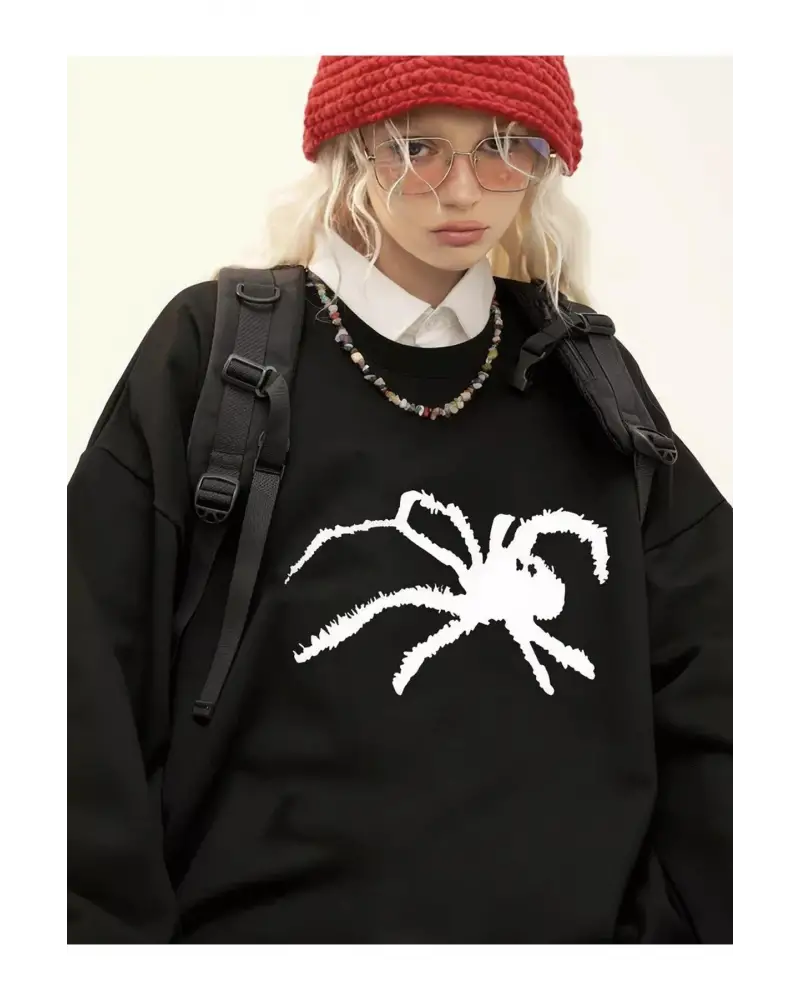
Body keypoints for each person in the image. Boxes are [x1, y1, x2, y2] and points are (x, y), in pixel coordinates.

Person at [65, 55, 735, 944]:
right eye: (415, 148)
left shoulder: (588, 375)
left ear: (545, 163)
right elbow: (76, 671)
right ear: (350, 155)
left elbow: (729, 662)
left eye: (505, 148)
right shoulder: (220, 353)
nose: (462, 190)